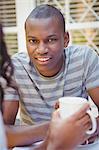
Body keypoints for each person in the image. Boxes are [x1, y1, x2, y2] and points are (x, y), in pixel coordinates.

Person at [3, 3, 99, 145]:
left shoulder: (84, 59)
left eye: (51, 40)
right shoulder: (15, 67)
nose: (41, 49)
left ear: (65, 39)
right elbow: (4, 133)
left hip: (76, 143)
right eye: (33, 41)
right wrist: (55, 129)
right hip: (34, 144)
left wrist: (92, 127)